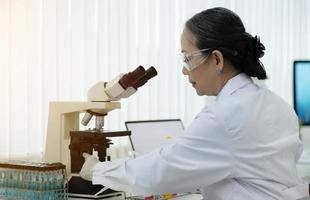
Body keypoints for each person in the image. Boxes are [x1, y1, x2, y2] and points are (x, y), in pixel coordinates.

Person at [80, 7, 309, 200]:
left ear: (217, 59)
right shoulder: (274, 102)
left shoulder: (225, 115)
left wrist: (98, 171)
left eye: (188, 59)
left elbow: (160, 171)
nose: (183, 69)